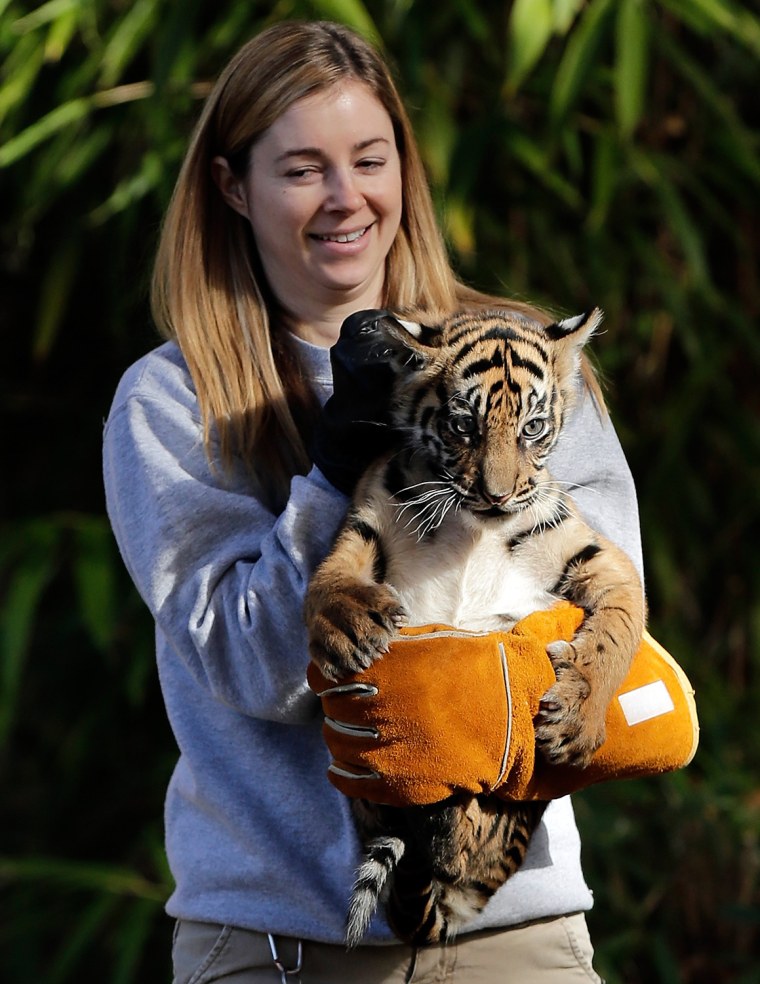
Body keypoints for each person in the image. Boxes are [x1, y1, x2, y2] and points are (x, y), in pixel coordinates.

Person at [103, 19, 644, 983]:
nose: (346, 198)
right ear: (233, 186)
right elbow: (255, 670)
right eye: (303, 168)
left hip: (509, 928)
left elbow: (609, 611)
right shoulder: (172, 400)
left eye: (370, 158)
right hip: (275, 944)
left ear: (406, 167)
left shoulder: (533, 360)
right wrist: (328, 479)